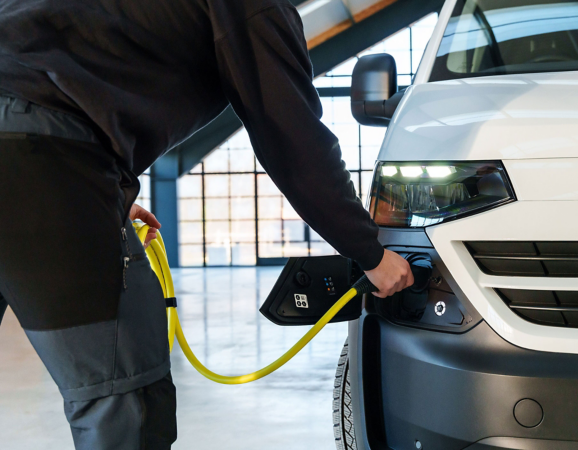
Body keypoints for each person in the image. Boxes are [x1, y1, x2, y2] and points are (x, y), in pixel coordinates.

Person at [0, 0, 414, 448]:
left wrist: (103, 193)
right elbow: (292, 137)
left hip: (40, 156)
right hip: (42, 156)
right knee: (124, 402)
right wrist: (370, 252)